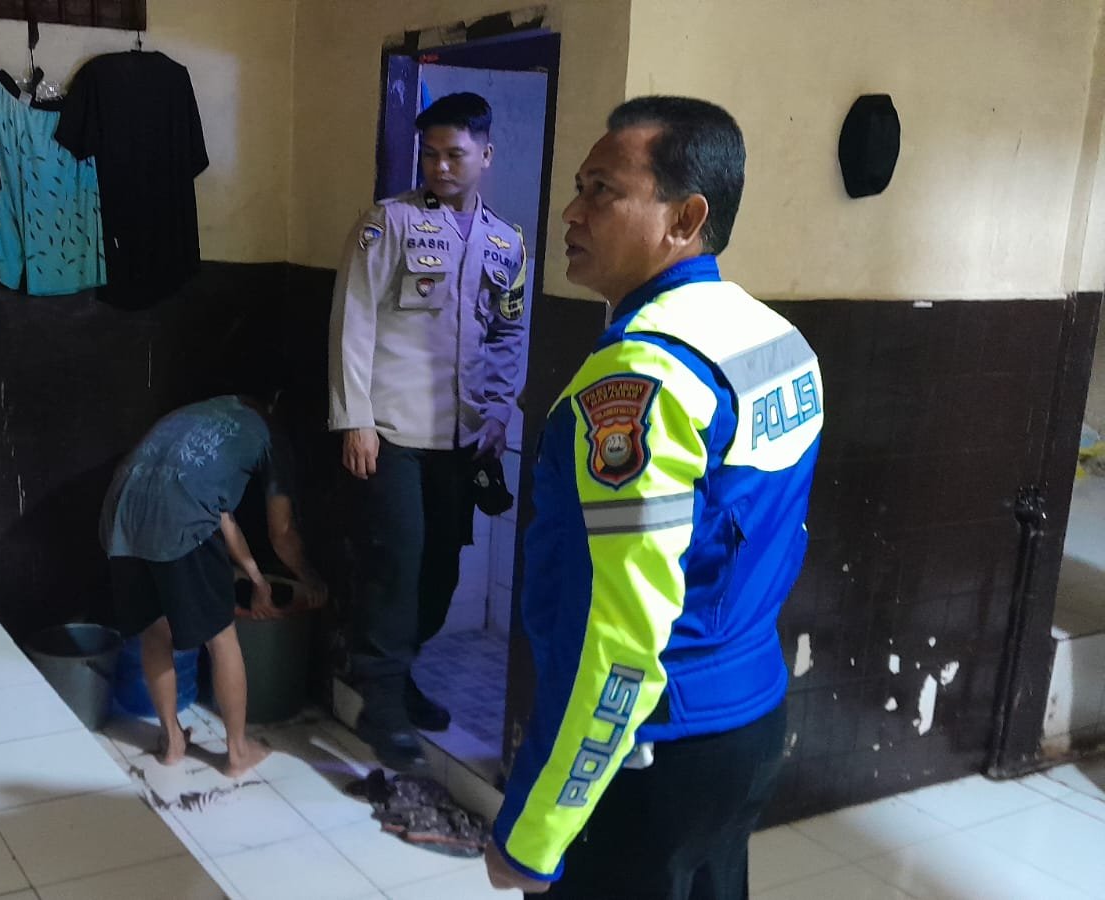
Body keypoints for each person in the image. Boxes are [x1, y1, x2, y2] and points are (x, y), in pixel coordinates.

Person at [485, 96, 824, 898]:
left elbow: (619, 639)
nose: (572, 212)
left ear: (686, 219)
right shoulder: (772, 339)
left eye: (603, 190)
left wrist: (537, 828)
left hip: (654, 752)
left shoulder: (643, 379)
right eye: (579, 187)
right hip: (750, 722)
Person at [328, 91, 530, 770]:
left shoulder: (506, 243)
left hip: (461, 441)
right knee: (396, 566)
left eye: (455, 154)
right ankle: (381, 701)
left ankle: (397, 672)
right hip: (391, 432)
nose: (440, 166)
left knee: (440, 572)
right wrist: (355, 418)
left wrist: (498, 411)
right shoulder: (389, 224)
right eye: (431, 154)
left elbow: (508, 333)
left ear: (485, 154)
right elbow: (353, 320)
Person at [101, 394, 326, 777]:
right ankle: (237, 754)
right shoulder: (270, 437)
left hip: (121, 513)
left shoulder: (203, 416)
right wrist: (312, 579)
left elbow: (222, 516)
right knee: (222, 638)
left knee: (156, 630)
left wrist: (256, 578)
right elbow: (282, 534)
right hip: (178, 514)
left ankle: (172, 742)